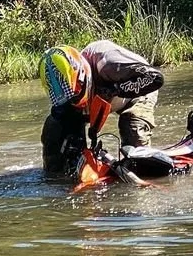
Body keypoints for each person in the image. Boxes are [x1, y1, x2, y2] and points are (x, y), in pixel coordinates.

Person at [39, 40, 164, 176]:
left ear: (83, 75)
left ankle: (144, 169)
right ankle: (56, 175)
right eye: (67, 98)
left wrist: (114, 90)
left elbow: (156, 78)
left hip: (137, 92)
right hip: (98, 96)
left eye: (75, 96)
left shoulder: (107, 64)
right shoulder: (65, 88)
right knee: (54, 128)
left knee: (132, 127)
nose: (73, 102)